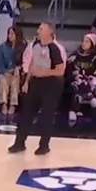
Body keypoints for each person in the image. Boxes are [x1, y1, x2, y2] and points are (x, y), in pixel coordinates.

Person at [10, 23, 65, 155]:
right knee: (26, 113)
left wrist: (44, 73)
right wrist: (27, 81)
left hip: (51, 84)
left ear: (49, 33)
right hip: (36, 81)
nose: (38, 31)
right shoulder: (35, 45)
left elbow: (60, 70)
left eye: (41, 29)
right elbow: (33, 64)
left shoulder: (54, 49)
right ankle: (19, 143)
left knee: (47, 115)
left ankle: (44, 145)